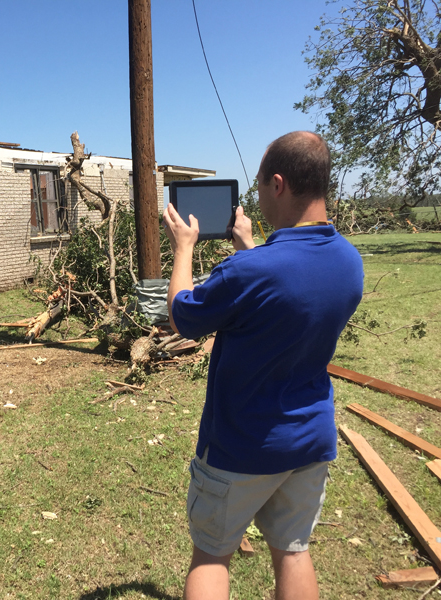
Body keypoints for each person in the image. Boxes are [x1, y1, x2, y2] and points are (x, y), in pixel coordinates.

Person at [163, 131, 363, 600]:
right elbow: (288, 292)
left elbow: (183, 315)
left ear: (278, 184)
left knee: (212, 555)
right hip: (310, 441)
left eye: (258, 187)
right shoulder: (348, 262)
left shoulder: (248, 272)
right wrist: (249, 246)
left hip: (241, 445)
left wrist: (184, 247)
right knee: (293, 550)